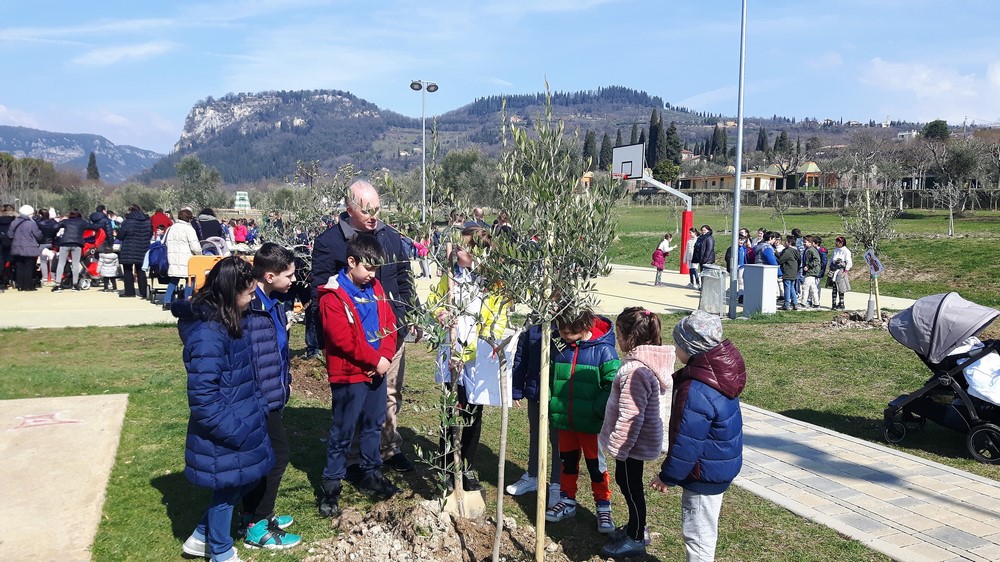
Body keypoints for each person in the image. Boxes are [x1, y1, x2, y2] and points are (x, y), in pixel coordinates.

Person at [311, 180, 416, 473]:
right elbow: (319, 290)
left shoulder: (391, 238)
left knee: (390, 393)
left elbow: (403, 279)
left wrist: (402, 319)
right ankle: (354, 458)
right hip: (351, 340)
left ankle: (388, 448)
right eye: (367, 210)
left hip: (390, 333)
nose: (373, 216)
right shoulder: (330, 242)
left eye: (377, 210)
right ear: (350, 209)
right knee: (354, 400)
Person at [175, 257, 274, 562]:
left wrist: (256, 407)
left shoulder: (231, 321)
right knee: (227, 490)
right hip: (226, 427)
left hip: (244, 416)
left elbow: (245, 373)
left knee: (245, 480)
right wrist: (238, 430)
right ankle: (220, 551)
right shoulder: (208, 334)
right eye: (249, 293)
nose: (254, 297)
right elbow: (204, 398)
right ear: (232, 294)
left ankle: (201, 537)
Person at [650, 310, 746, 562]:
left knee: (698, 537)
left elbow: (687, 443)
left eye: (678, 344)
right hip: (717, 466)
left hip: (703, 472)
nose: (675, 349)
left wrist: (667, 476)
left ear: (691, 348)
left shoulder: (697, 388)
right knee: (705, 533)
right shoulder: (721, 372)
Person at [317, 233, 399, 518]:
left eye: (376, 269)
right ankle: (330, 486)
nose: (372, 274)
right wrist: (375, 359)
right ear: (351, 262)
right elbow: (343, 340)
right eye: (368, 268)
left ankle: (370, 473)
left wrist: (386, 355)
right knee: (342, 431)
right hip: (350, 375)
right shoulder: (333, 295)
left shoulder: (375, 288)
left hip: (376, 370)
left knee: (373, 425)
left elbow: (389, 322)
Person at [429, 226, 510, 492]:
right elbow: (435, 300)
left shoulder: (494, 283)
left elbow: (496, 322)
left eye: (462, 247)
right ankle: (444, 465)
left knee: (474, 414)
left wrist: (470, 351)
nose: (457, 250)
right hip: (452, 355)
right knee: (451, 412)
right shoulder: (452, 277)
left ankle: (466, 467)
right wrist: (440, 312)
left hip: (476, 361)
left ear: (477, 250)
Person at [237, 243, 303, 549]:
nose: (293, 280)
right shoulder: (253, 308)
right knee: (277, 457)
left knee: (266, 458)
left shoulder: (272, 303)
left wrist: (285, 381)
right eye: (288, 275)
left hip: (273, 393)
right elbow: (251, 358)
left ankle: (255, 514)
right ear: (269, 275)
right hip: (259, 398)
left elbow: (275, 352)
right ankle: (257, 525)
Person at [598, 307, 674, 558]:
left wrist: (619, 446)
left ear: (630, 337)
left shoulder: (634, 371)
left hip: (632, 444)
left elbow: (632, 414)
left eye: (619, 334)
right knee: (627, 483)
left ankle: (637, 535)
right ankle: (634, 526)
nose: (617, 339)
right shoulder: (642, 363)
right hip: (636, 443)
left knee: (631, 487)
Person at [545, 306, 621, 535]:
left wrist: (596, 409)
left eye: (568, 333)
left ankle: (603, 505)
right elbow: (549, 375)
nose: (563, 337)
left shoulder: (604, 351)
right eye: (561, 332)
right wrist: (550, 401)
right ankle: (568, 500)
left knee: (596, 465)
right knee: (567, 461)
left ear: (583, 327)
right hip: (565, 420)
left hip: (591, 423)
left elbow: (612, 383)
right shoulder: (560, 346)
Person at [507, 323, 562, 507]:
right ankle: (533, 475)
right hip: (535, 392)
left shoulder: (567, 329)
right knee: (536, 435)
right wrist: (516, 390)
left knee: (558, 440)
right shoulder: (533, 329)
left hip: (558, 396)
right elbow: (521, 359)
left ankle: (556, 483)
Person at [164, 208, 203, 307]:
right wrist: (200, 254)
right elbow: (195, 246)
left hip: (173, 257)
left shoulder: (172, 228)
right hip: (187, 258)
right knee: (190, 279)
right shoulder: (189, 229)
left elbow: (166, 242)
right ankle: (187, 300)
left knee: (174, 279)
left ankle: (167, 300)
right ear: (189, 219)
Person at [52, 210, 97, 291]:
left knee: (61, 263)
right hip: (77, 244)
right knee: (75, 264)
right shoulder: (82, 222)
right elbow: (94, 227)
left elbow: (55, 226)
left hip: (65, 243)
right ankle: (75, 284)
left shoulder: (65, 221)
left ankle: (57, 284)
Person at [117, 204, 152, 299]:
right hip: (143, 248)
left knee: (128, 270)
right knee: (141, 270)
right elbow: (150, 234)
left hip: (129, 249)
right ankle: (143, 292)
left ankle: (129, 291)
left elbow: (120, 236)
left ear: (130, 211)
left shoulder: (127, 222)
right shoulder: (147, 222)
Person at [8, 205, 43, 291]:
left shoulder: (14, 222)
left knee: (19, 266)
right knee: (29, 267)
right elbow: (38, 235)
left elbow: (10, 235)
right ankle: (27, 286)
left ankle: (19, 285)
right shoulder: (31, 223)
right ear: (29, 214)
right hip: (29, 247)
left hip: (16, 247)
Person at [828, 236, 853, 310]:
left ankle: (841, 303)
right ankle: (834, 304)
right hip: (834, 270)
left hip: (841, 271)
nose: (836, 243)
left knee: (841, 288)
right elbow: (832, 259)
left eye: (838, 242)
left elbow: (849, 262)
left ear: (842, 243)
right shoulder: (835, 250)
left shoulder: (846, 251)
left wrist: (846, 271)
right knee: (834, 288)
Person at [35, 208, 59, 285]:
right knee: (52, 260)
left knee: (43, 261)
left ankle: (44, 278)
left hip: (42, 243)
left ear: (41, 215)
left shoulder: (38, 223)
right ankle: (53, 278)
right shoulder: (53, 222)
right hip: (52, 243)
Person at [778, 234, 801, 311]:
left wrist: (775, 254)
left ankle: (786, 304)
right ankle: (795, 303)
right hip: (794, 272)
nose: (785, 243)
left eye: (786, 242)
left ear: (789, 243)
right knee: (792, 288)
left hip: (788, 271)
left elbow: (781, 260)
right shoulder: (796, 251)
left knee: (787, 288)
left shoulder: (788, 251)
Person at [800, 235, 822, 309]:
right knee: (813, 288)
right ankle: (816, 303)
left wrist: (808, 266)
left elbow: (817, 260)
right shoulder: (807, 249)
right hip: (810, 272)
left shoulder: (811, 250)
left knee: (805, 287)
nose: (803, 244)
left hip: (811, 271)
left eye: (805, 242)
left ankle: (803, 303)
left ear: (810, 242)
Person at [1, 204, 19, 291]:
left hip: (1, 241)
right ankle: (12, 277)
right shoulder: (16, 220)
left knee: (1, 261)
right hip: (12, 242)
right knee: (13, 261)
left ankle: (2, 280)